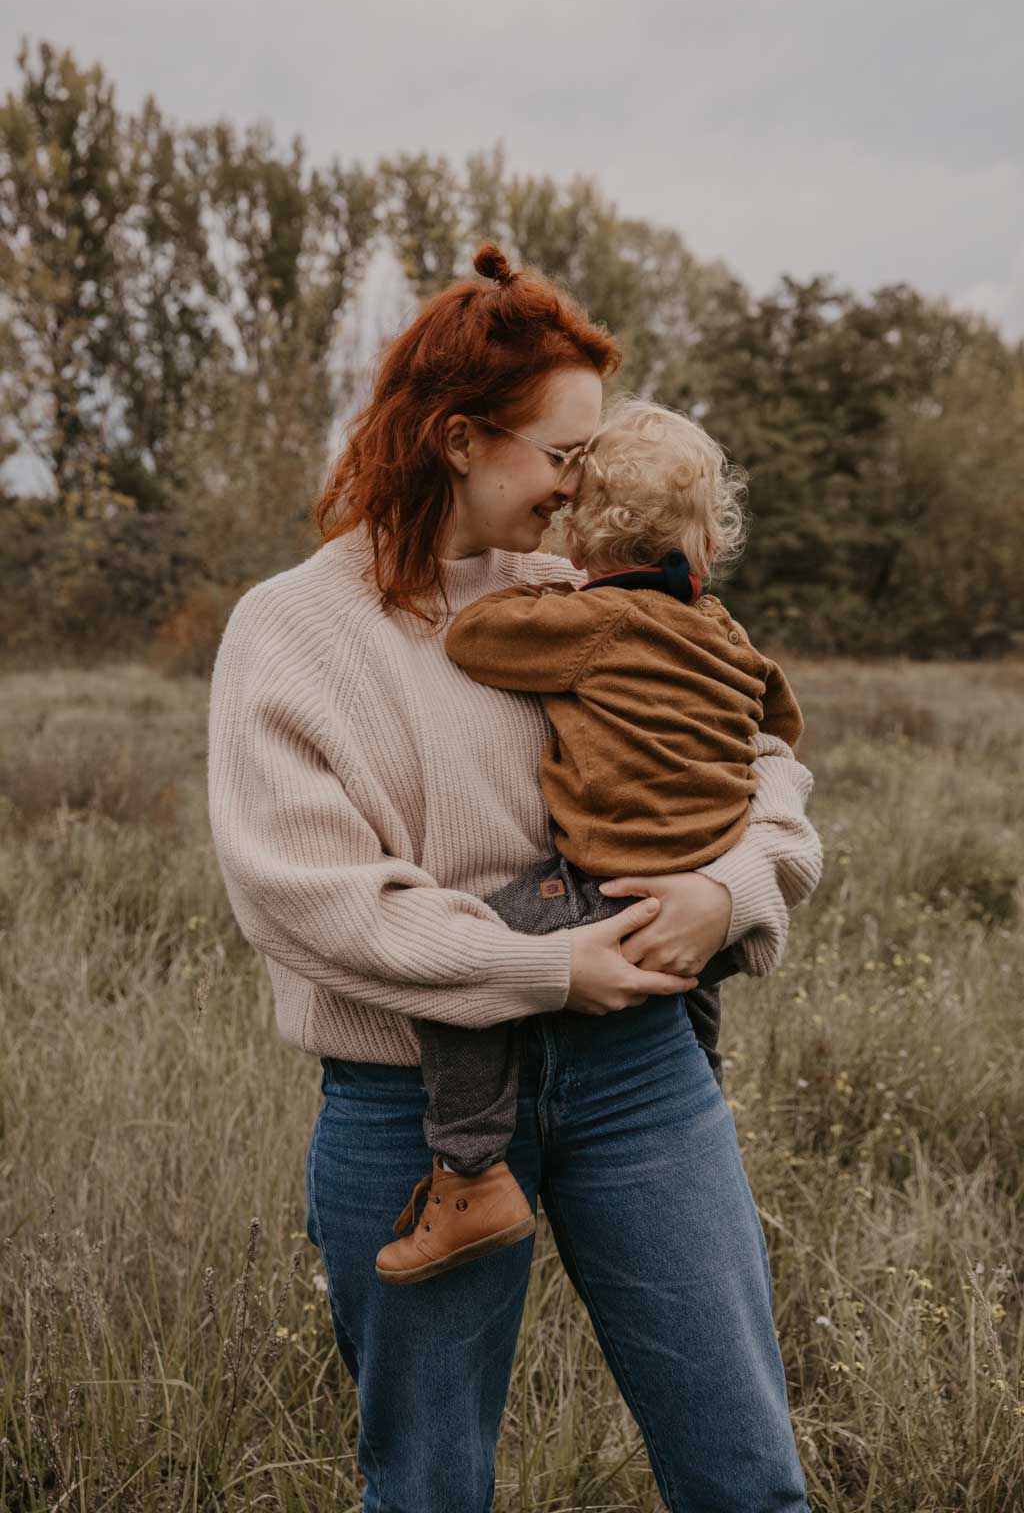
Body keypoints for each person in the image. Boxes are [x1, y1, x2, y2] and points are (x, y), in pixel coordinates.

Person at [207, 239, 821, 1511]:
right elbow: (302, 888)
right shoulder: (293, 631)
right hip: (407, 1108)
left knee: (749, 1483)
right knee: (426, 1490)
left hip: (641, 1075)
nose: (579, 488)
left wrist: (730, 893)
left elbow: (758, 766)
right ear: (455, 439)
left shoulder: (584, 594)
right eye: (563, 455)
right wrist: (541, 964)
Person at [376, 393, 808, 1285]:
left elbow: (473, 639)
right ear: (709, 543)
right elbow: (779, 715)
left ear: (579, 535)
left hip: (607, 891)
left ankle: (470, 1175)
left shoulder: (593, 621)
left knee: (461, 965)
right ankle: (699, 1136)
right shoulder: (721, 629)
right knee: (687, 1016)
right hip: (708, 897)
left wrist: (534, 586)